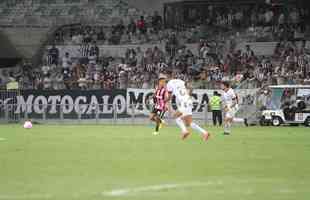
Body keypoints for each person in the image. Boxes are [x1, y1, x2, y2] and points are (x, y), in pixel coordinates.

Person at [165, 73, 210, 141]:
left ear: (168, 76)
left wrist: (164, 100)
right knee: (188, 123)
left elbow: (169, 97)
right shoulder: (181, 81)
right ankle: (205, 133)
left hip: (184, 103)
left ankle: (185, 131)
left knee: (175, 116)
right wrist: (188, 95)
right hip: (188, 101)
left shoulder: (169, 84)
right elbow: (191, 87)